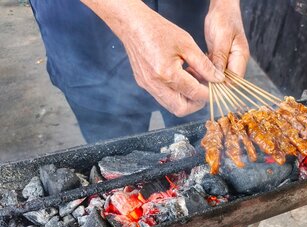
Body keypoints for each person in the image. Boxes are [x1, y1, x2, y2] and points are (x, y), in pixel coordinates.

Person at [29, 0, 250, 143]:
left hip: (195, 20)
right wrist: (126, 19)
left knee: (209, 141)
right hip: (87, 28)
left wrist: (226, 4)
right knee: (116, 156)